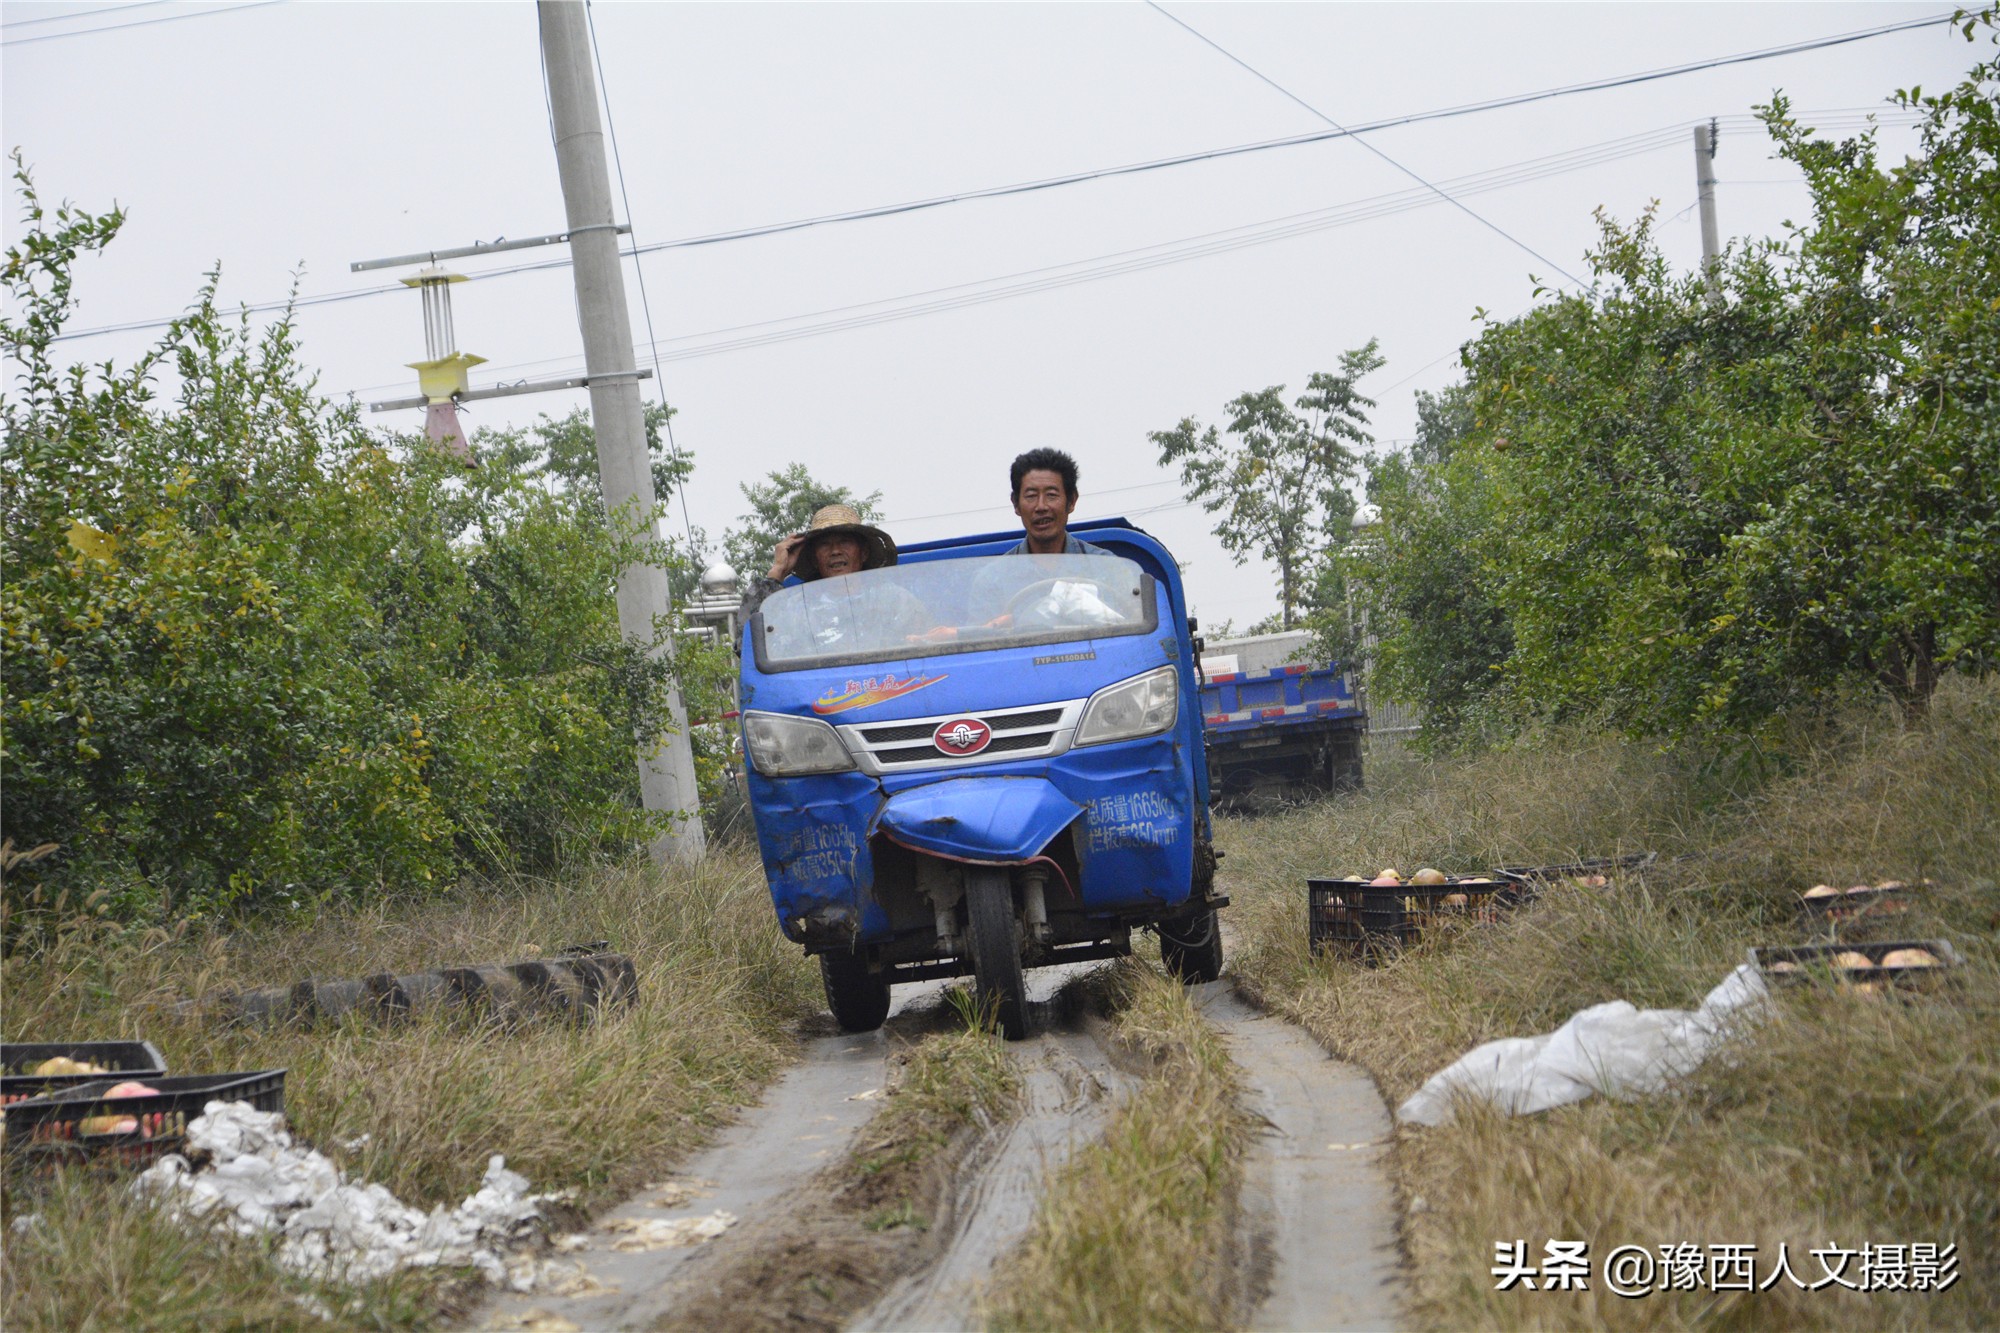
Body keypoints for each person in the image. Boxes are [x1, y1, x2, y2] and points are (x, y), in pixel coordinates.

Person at [739, 503, 930, 650]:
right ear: (814, 559)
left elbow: (927, 648)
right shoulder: (796, 609)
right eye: (825, 545)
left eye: (845, 542)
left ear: (863, 553)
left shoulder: (895, 600)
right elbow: (746, 645)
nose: (835, 551)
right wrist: (777, 572)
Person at [1000, 448, 1109, 557]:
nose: (1041, 506)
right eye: (1031, 496)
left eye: (1051, 495)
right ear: (1016, 504)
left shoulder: (1105, 566)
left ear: (1071, 501)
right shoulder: (999, 573)